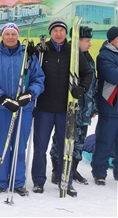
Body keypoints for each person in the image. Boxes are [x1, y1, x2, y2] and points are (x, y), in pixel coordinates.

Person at [0, 23, 45, 196]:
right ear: (2, 36)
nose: (10, 37)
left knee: (19, 145)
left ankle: (17, 182)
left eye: (13, 34)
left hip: (23, 108)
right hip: (1, 108)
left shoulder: (28, 55)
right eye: (7, 34)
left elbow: (38, 79)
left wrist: (30, 94)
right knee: (1, 145)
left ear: (18, 36)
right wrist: (2, 98)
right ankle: (0, 181)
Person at [30, 18, 92, 197]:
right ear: (50, 32)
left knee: (67, 146)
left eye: (62, 30)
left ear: (66, 32)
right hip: (44, 107)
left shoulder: (73, 51)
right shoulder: (43, 51)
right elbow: (32, 73)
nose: (58, 34)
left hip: (67, 108)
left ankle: (66, 180)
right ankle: (39, 181)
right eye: (55, 30)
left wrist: (82, 88)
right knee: (40, 146)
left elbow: (87, 72)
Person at [49, 26, 98, 185]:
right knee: (62, 139)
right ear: (78, 41)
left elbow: (92, 83)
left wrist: (93, 106)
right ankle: (57, 170)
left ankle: (73, 168)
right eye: (87, 41)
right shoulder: (69, 56)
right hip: (70, 109)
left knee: (79, 140)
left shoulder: (88, 58)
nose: (89, 44)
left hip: (85, 109)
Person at [92, 26, 118, 186]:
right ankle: (99, 172)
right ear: (113, 39)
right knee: (104, 141)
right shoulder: (104, 56)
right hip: (110, 106)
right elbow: (114, 76)